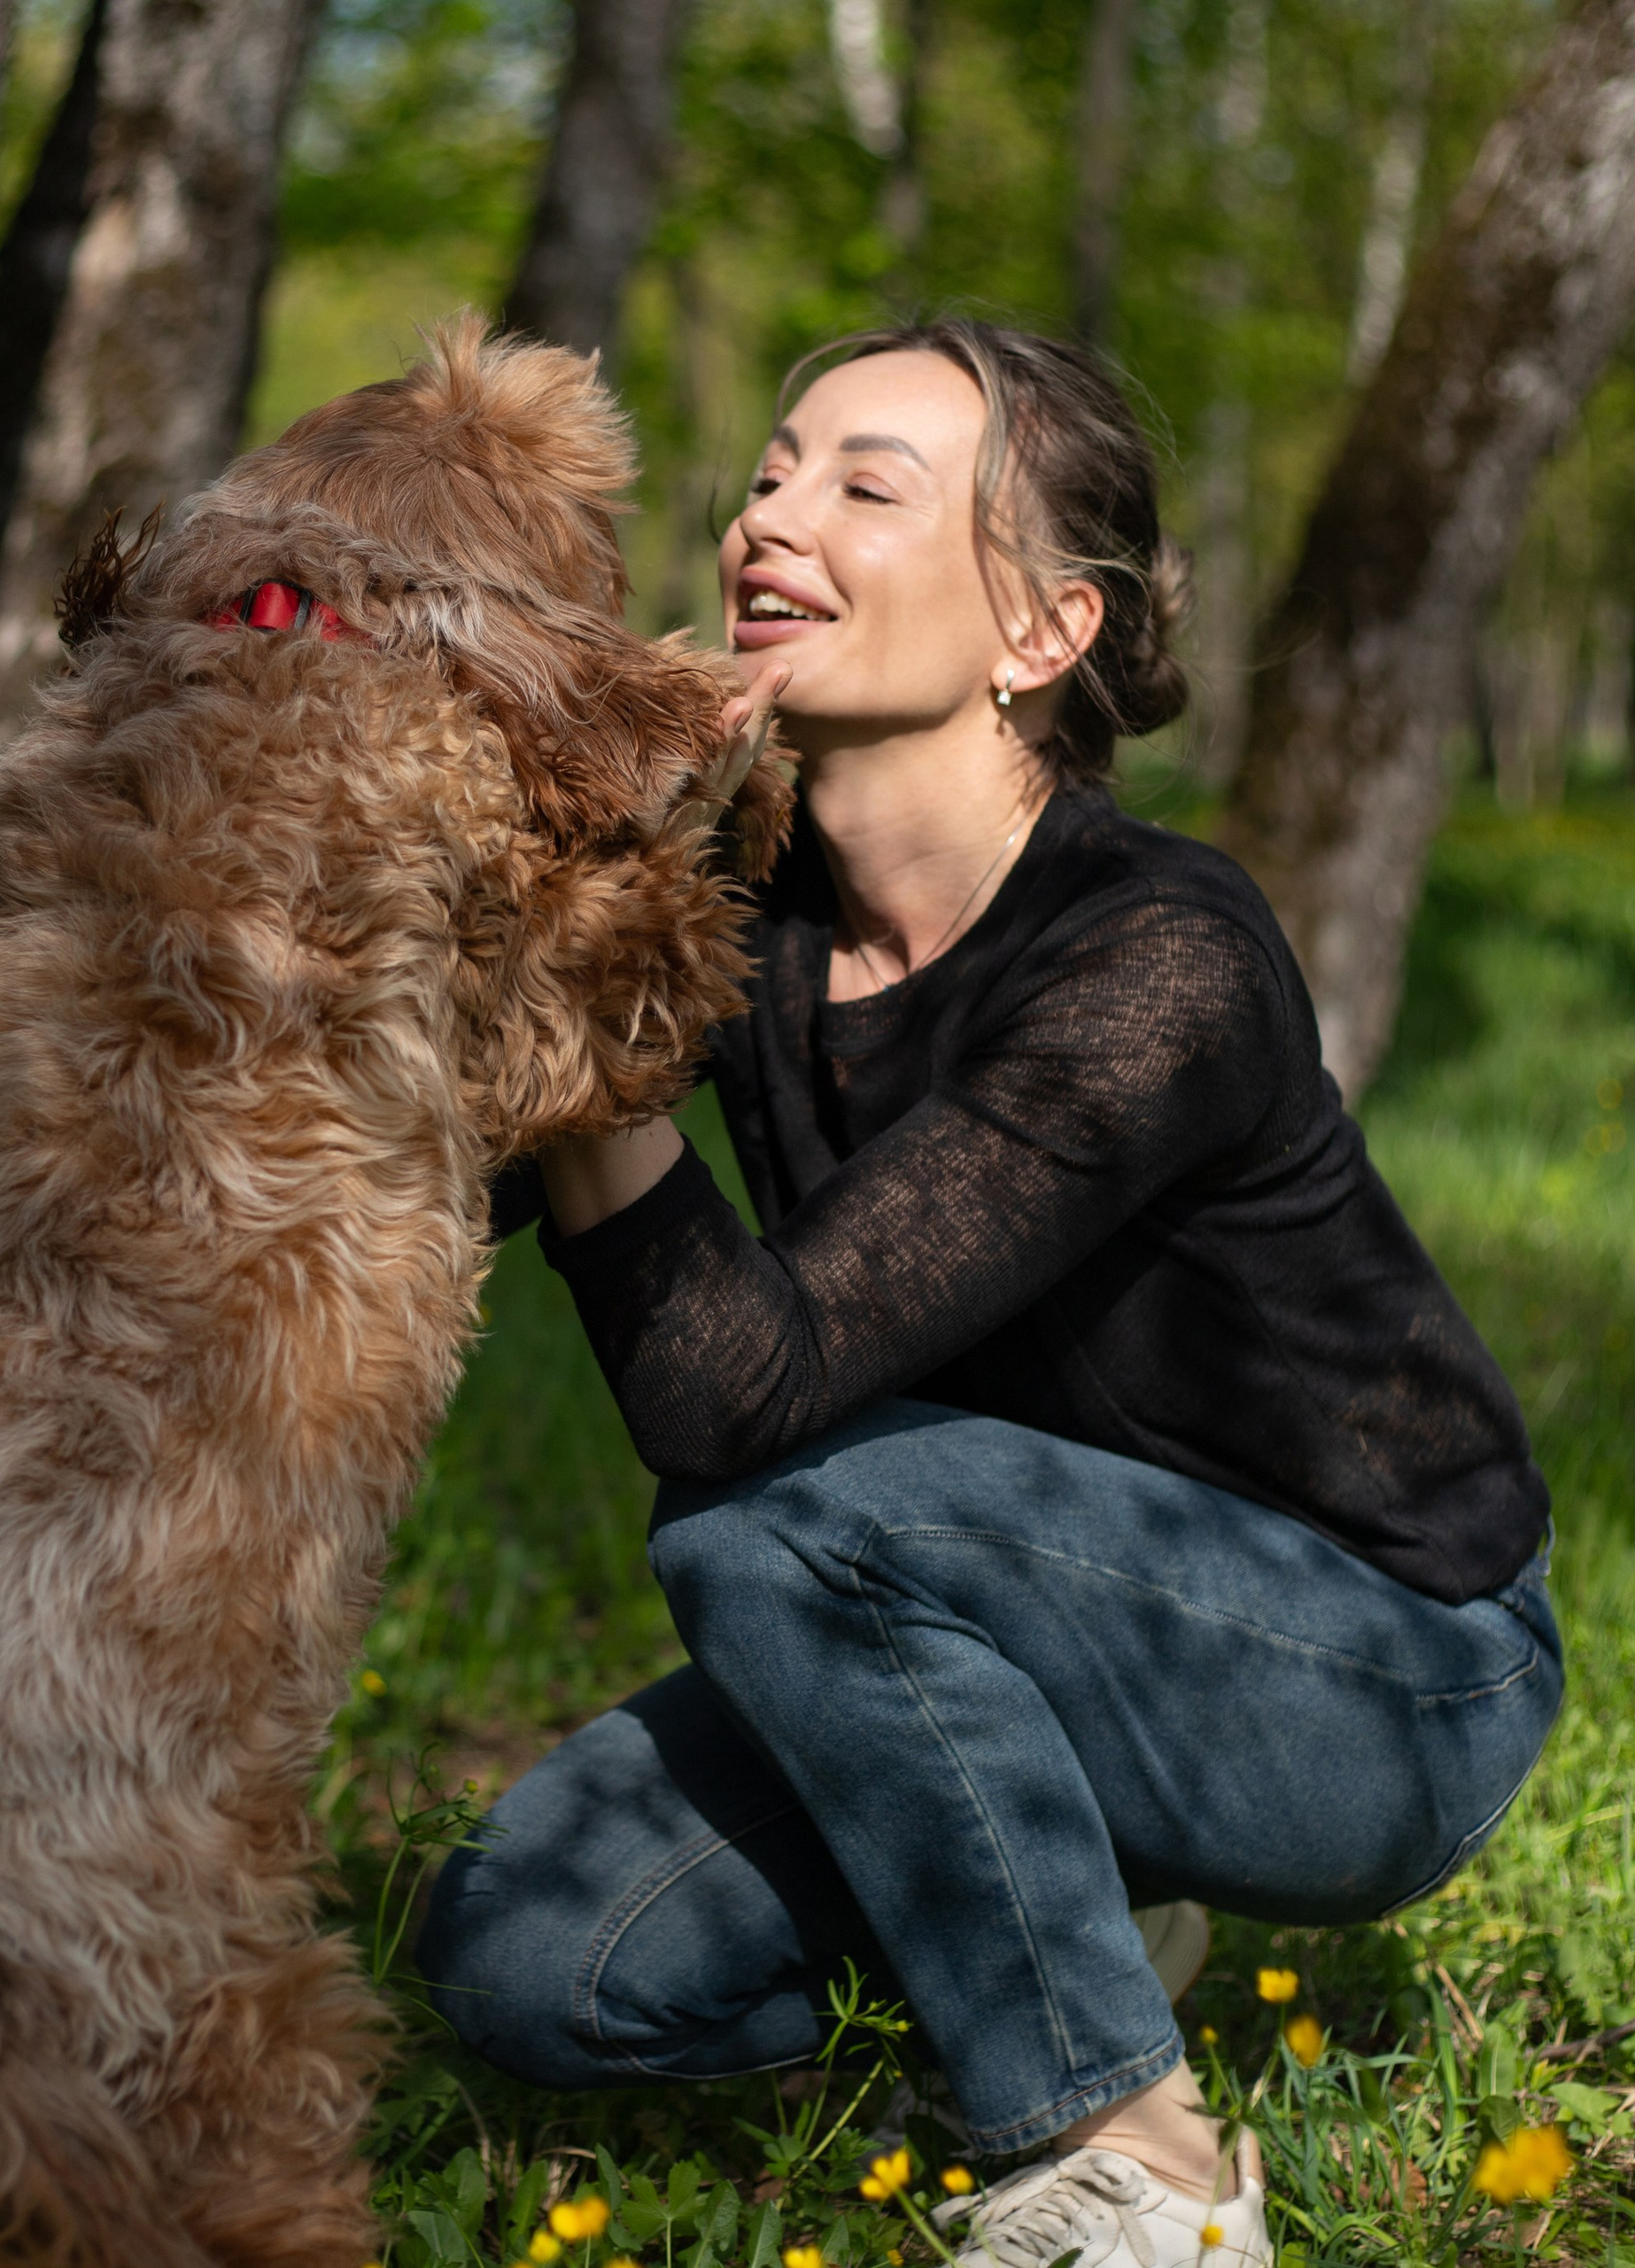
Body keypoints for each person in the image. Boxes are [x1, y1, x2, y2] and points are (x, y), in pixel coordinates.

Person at [415, 321, 1561, 2268]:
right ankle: (1075, 1918)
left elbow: (724, 1396)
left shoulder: (1157, 957)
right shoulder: (751, 912)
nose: (770, 517)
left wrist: (578, 1017)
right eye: (771, 469)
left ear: (1040, 631)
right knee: (529, 1950)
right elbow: (439, 1185)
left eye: (867, 486)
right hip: (982, 1615)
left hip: (1376, 1671)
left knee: (781, 1496)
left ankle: (1134, 2163)